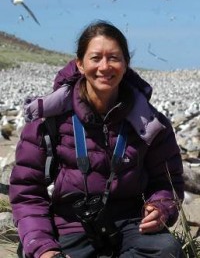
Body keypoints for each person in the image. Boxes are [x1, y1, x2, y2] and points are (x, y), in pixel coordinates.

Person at [9, 20, 184, 258]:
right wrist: (44, 249)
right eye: (95, 58)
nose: (104, 66)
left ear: (125, 64)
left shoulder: (150, 123)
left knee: (167, 251)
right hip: (68, 225)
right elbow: (26, 193)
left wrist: (161, 208)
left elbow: (167, 182)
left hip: (130, 224)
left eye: (113, 57)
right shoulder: (46, 122)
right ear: (79, 64)